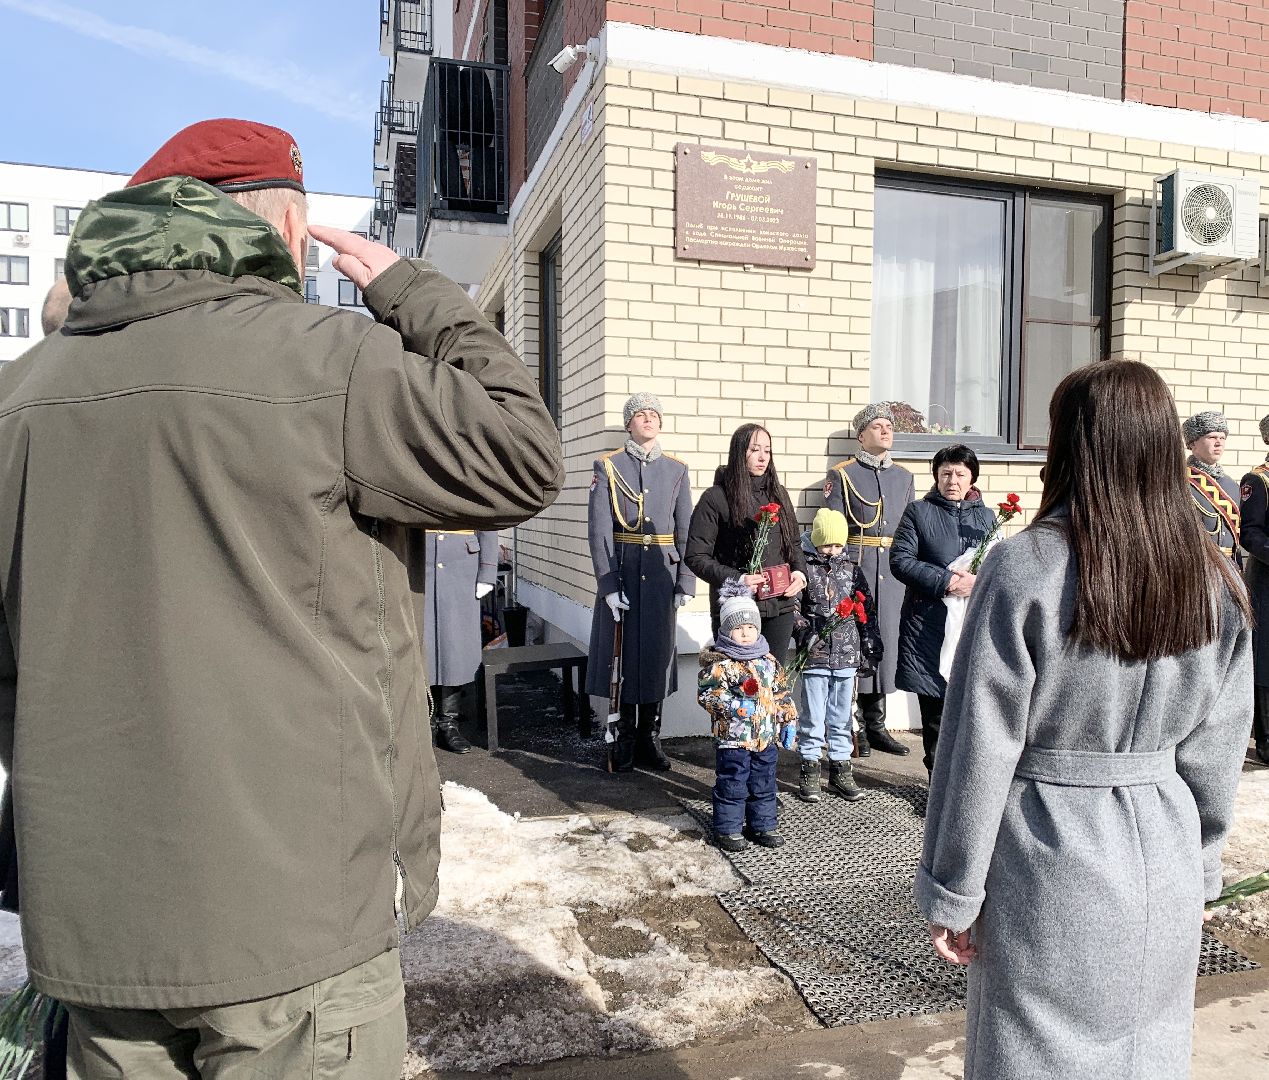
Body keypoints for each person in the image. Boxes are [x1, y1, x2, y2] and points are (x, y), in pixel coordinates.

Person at [0, 118, 563, 1079]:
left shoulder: (18, 399)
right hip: (291, 919)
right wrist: (411, 288)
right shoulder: (323, 360)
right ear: (288, 230)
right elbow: (522, 456)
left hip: (92, 924)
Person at [918, 360, 1252, 1080]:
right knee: (1149, 1053)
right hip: (1161, 850)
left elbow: (979, 743)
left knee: (1033, 1056)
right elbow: (1217, 751)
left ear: (1071, 446)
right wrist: (1197, 869)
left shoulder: (1027, 568)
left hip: (1046, 856)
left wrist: (953, 888)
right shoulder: (1215, 578)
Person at [585, 392, 695, 772]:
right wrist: (609, 585)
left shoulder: (677, 469)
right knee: (624, 658)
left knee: (656, 656)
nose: (648, 419)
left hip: (662, 576)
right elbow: (600, 529)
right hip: (625, 573)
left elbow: (686, 530)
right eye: (640, 415)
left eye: (654, 415)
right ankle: (626, 737)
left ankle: (650, 736)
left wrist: (685, 581)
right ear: (628, 424)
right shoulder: (608, 466)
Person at [890, 445, 995, 777]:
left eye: (960, 473)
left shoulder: (988, 517)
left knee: (971, 707)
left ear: (972, 478)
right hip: (929, 623)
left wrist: (977, 581)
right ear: (936, 475)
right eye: (946, 473)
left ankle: (966, 782)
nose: (952, 480)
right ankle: (937, 782)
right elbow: (901, 561)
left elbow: (998, 564)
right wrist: (948, 581)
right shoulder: (918, 512)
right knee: (936, 708)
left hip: (972, 624)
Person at [824, 403, 914, 756]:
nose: (885, 430)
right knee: (855, 643)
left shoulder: (904, 477)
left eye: (888, 425)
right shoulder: (843, 474)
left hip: (891, 574)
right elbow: (833, 527)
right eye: (877, 425)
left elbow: (908, 529)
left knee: (886, 644)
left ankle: (878, 725)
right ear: (861, 434)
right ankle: (852, 726)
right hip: (856, 569)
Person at [686, 423, 807, 664]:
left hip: (780, 605)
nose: (762, 457)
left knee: (773, 682)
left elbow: (793, 542)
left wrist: (800, 573)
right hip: (737, 606)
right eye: (754, 450)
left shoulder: (779, 494)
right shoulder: (716, 498)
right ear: (739, 452)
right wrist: (738, 579)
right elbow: (696, 556)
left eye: (767, 450)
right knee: (740, 687)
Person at [698, 579, 798, 852]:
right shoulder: (721, 665)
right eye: (739, 628)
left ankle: (763, 825)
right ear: (728, 631)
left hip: (765, 737)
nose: (745, 633)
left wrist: (788, 718)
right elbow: (707, 695)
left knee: (764, 782)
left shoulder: (768, 661)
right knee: (733, 782)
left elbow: (780, 692)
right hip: (734, 739)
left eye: (750, 627)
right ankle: (728, 829)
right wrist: (734, 708)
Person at [792, 508, 882, 803]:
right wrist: (805, 633)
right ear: (816, 541)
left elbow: (866, 611)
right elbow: (793, 608)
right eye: (826, 544)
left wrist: (869, 646)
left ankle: (841, 768)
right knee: (813, 715)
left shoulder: (852, 570)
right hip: (816, 655)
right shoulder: (804, 568)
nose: (832, 551)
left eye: (837, 545)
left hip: (846, 655)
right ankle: (809, 766)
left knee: (842, 715)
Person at [417, 529, 500, 754]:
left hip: (462, 562)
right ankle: (425, 723)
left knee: (454, 646)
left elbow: (487, 517)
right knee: (423, 644)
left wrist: (487, 571)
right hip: (418, 557)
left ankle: (448, 724)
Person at [1240, 412, 1269, 764]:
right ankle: (1265, 737)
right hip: (1267, 582)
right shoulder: (1258, 480)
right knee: (1266, 660)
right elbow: (1251, 532)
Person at [1183, 410, 1242, 566]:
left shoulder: (1231, 485)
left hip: (1230, 567)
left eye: (1222, 438)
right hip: (1196, 566)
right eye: (1211, 437)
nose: (1219, 442)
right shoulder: (1180, 482)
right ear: (1192, 444)